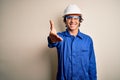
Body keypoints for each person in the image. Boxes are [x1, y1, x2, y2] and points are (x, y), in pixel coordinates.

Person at [47, 4, 97, 80]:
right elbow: (52, 42)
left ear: (80, 20)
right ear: (65, 20)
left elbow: (92, 65)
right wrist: (52, 39)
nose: (72, 21)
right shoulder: (60, 37)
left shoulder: (88, 40)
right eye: (69, 17)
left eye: (76, 18)